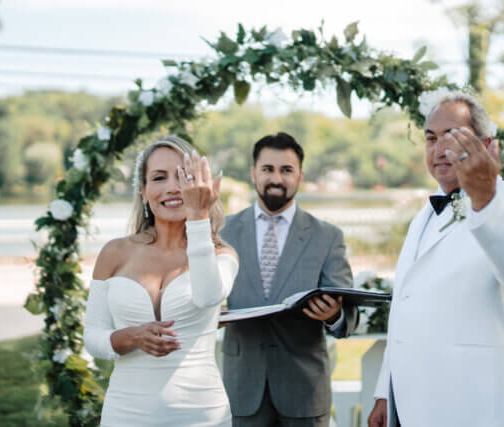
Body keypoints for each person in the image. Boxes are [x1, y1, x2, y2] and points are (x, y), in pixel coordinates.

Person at [368, 92, 504, 427]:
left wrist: (484, 199)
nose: (438, 150)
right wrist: (384, 392)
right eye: (430, 138)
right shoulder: (422, 216)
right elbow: (405, 306)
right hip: (410, 403)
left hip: (476, 404)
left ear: (486, 144)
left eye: (451, 136)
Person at [83, 136, 238, 426]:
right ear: (143, 191)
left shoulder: (222, 255)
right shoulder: (115, 252)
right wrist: (129, 337)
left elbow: (207, 296)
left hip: (202, 416)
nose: (172, 187)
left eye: (183, 176)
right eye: (159, 177)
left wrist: (198, 216)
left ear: (200, 187)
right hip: (124, 415)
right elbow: (92, 336)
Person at [220, 132, 359, 427]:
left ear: (300, 175)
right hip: (242, 389)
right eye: (268, 169)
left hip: (305, 393)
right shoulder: (222, 231)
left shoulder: (328, 236)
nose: (277, 179)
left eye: (286, 170)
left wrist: (334, 315)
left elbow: (349, 317)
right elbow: (201, 295)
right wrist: (210, 313)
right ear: (253, 173)